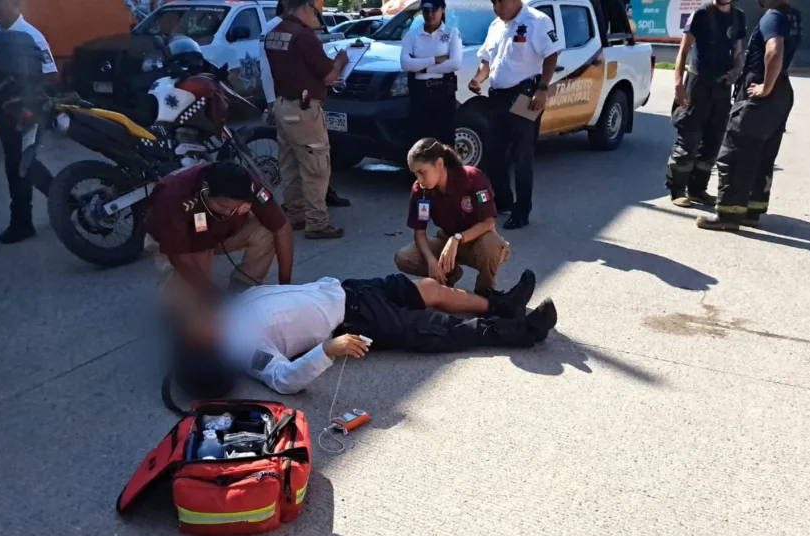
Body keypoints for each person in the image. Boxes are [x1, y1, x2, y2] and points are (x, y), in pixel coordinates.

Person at [208, 272, 554, 395]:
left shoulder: (231, 306)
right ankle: (524, 330)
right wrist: (328, 350)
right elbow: (284, 380)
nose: (198, 318)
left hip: (351, 290)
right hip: (354, 321)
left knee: (431, 288)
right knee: (439, 329)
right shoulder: (240, 347)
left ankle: (502, 305)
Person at [696, 0, 801, 231]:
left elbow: (774, 50)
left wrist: (765, 87)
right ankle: (752, 211)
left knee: (735, 153)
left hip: (761, 93)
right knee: (762, 154)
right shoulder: (792, 16)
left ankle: (728, 216)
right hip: (781, 91)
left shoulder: (773, 17)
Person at [468, 0, 563, 230]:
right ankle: (503, 201)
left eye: (499, 2)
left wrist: (542, 88)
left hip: (525, 96)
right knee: (494, 154)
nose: (496, 8)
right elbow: (487, 61)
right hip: (498, 97)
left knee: (522, 156)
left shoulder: (537, 21)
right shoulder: (495, 26)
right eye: (492, 3)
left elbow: (551, 54)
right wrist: (478, 79)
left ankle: (521, 212)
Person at [143, 160, 294, 300]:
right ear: (205, 190)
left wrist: (285, 288)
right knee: (195, 317)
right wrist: (211, 293)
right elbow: (179, 256)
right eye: (223, 206)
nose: (229, 213)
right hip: (179, 242)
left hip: (216, 234)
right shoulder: (174, 195)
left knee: (267, 230)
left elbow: (281, 228)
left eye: (235, 208)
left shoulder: (248, 185)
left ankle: (244, 291)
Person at [264, 0, 350, 239]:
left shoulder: (274, 34)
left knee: (290, 165)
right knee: (316, 167)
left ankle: (295, 216)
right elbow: (329, 76)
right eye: (315, 11)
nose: (316, 16)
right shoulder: (304, 37)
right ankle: (317, 223)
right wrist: (342, 60)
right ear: (306, 8)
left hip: (282, 106)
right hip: (304, 110)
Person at [394, 138, 511, 296]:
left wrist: (457, 239)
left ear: (440, 164)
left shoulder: (472, 178)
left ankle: (486, 291)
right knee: (404, 257)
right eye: (415, 174)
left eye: (422, 172)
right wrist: (431, 261)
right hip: (446, 242)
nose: (419, 180)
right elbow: (419, 232)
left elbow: (488, 223)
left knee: (491, 245)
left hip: (478, 242)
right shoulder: (421, 191)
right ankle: (449, 275)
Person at [0, 0, 56, 244]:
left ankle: (22, 221)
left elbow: (50, 74)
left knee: (19, 162)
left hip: (27, 111)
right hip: (2, 111)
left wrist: (25, 100)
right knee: (23, 161)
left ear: (16, 5)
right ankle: (66, 199)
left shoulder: (31, 35)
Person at [666, 0, 746, 207]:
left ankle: (697, 189)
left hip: (722, 87)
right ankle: (677, 190)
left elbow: (738, 53)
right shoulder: (701, 14)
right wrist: (678, 85)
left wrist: (737, 70)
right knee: (689, 138)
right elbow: (683, 52)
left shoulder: (738, 17)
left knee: (713, 141)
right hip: (697, 85)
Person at [400, 0, 463, 146]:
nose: (430, 15)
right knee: (420, 139)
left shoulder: (451, 33)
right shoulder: (413, 35)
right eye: (426, 11)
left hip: (443, 92)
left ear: (442, 10)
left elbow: (454, 63)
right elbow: (405, 63)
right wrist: (435, 60)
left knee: (444, 140)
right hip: (419, 93)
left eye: (434, 10)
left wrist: (421, 67)